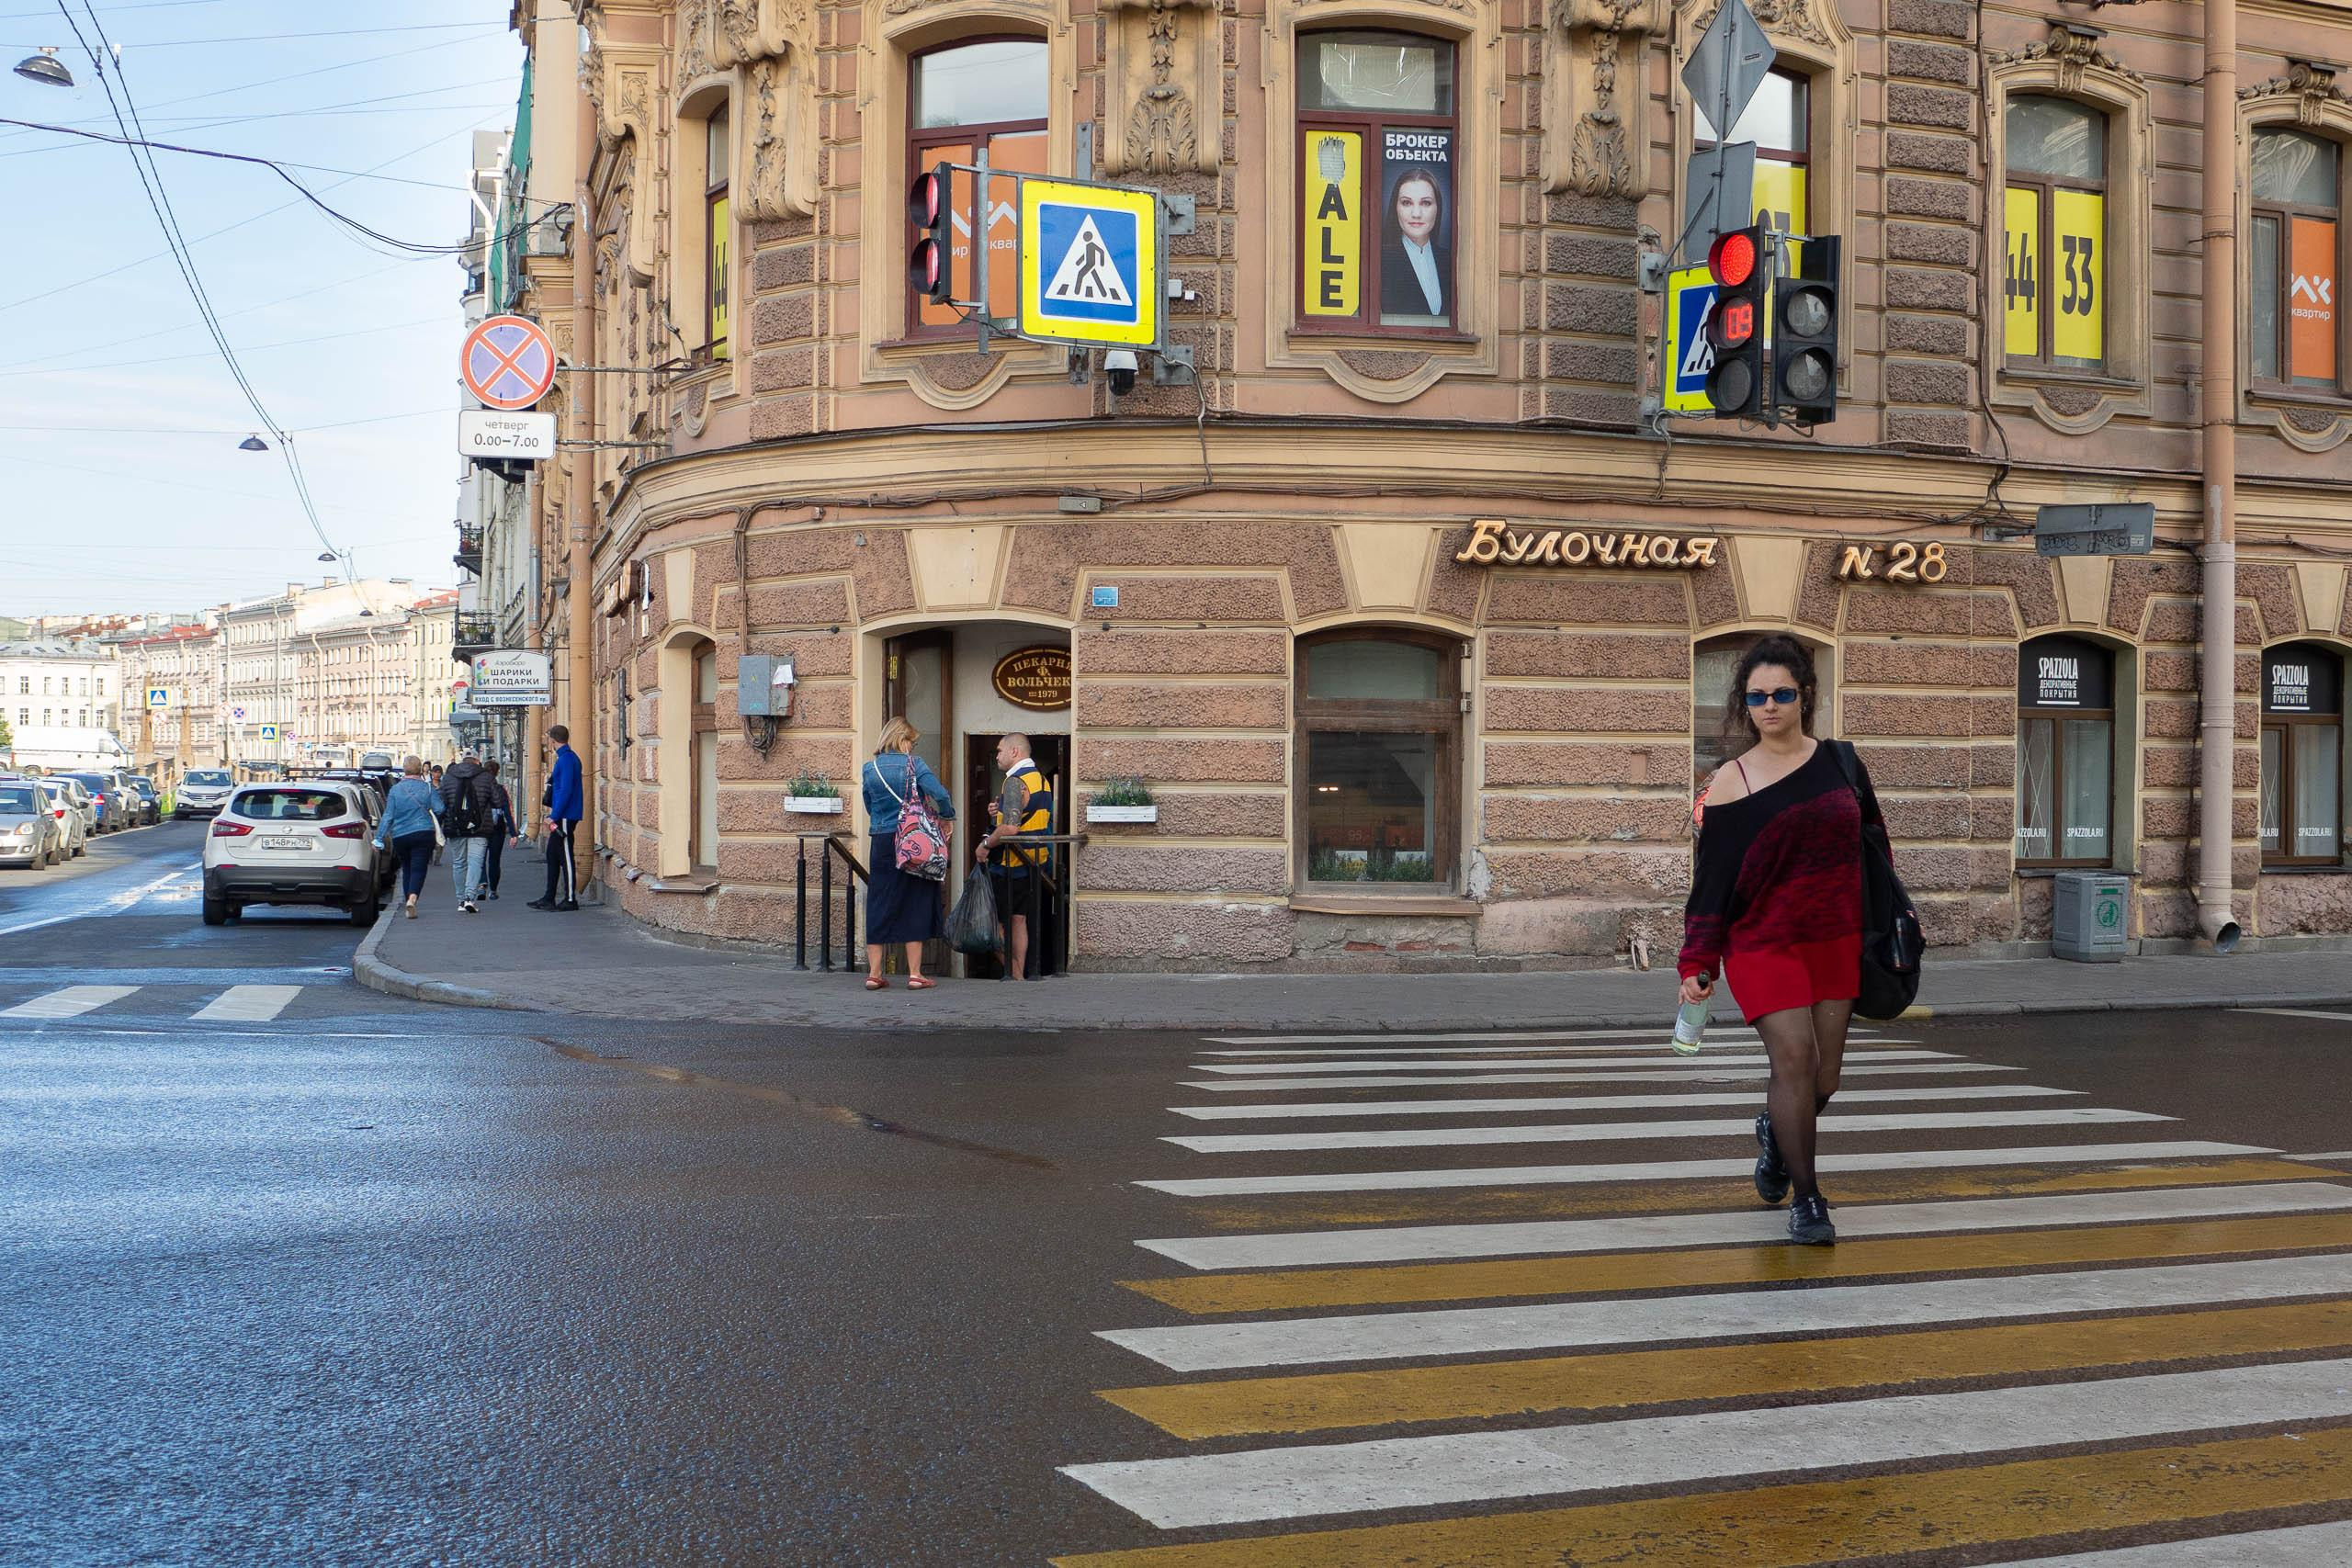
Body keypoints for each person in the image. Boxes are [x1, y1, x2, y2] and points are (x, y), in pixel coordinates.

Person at [1677, 635, 1877, 1247]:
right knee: (1793, 1058)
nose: (1769, 704)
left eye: (1781, 693)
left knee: (1825, 1079)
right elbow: (1711, 880)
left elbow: (1874, 849)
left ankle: (1774, 1134)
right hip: (1763, 940)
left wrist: (1884, 927)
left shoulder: (1842, 762)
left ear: (1804, 696)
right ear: (1745, 701)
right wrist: (1697, 961)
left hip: (1834, 936)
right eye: (1757, 695)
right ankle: (1808, 1199)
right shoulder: (1732, 782)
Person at [859, 716, 956, 990]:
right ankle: (915, 974)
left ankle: (875, 973)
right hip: (913, 840)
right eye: (911, 742)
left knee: (879, 900)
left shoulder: (870, 769)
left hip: (882, 840)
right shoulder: (915, 765)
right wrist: (947, 817)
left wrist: (885, 823)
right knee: (916, 899)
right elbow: (940, 794)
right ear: (901, 740)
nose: (912, 748)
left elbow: (870, 805)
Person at [974, 733, 1052, 981]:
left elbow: (1010, 828)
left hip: (1010, 864)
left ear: (1015, 751)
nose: (996, 756)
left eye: (999, 751)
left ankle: (1016, 975)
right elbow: (1028, 815)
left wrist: (985, 844)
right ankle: (1019, 976)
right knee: (1019, 920)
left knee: (991, 922)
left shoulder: (1015, 782)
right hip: (1033, 863)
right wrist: (997, 812)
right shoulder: (1041, 779)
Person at [373, 756, 443, 919]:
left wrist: (379, 838)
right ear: (420, 769)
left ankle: (408, 903)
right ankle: (413, 898)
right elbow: (440, 809)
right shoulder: (427, 788)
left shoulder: (396, 790)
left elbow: (388, 816)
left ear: (404, 770)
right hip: (424, 832)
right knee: (419, 868)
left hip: (401, 835)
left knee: (407, 868)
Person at [1379, 165, 1449, 321]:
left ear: (1438, 208)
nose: (1416, 214)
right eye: (1406, 203)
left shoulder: (1450, 261)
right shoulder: (1379, 262)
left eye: (1425, 203)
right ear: (1395, 207)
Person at [438, 748, 500, 914]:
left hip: (455, 826)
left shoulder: (448, 777)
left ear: (462, 760)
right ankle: (469, 898)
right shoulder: (486, 777)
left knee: (459, 863)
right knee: (475, 862)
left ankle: (460, 900)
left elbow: (440, 803)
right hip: (480, 827)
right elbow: (498, 801)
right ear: (477, 760)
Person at [531, 724, 582, 911]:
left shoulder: (567, 760)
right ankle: (549, 897)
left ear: (553, 740)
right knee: (552, 855)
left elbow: (565, 791)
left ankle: (570, 899)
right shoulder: (565, 758)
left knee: (566, 856)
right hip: (563, 814)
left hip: (566, 816)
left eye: (549, 740)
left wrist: (554, 816)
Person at [482, 760, 517, 900]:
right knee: (494, 860)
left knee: (479, 859)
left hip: (481, 829)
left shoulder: (479, 788)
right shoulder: (501, 790)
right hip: (497, 829)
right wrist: (514, 834)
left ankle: (481, 885)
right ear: (497, 773)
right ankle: (493, 890)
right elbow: (507, 812)